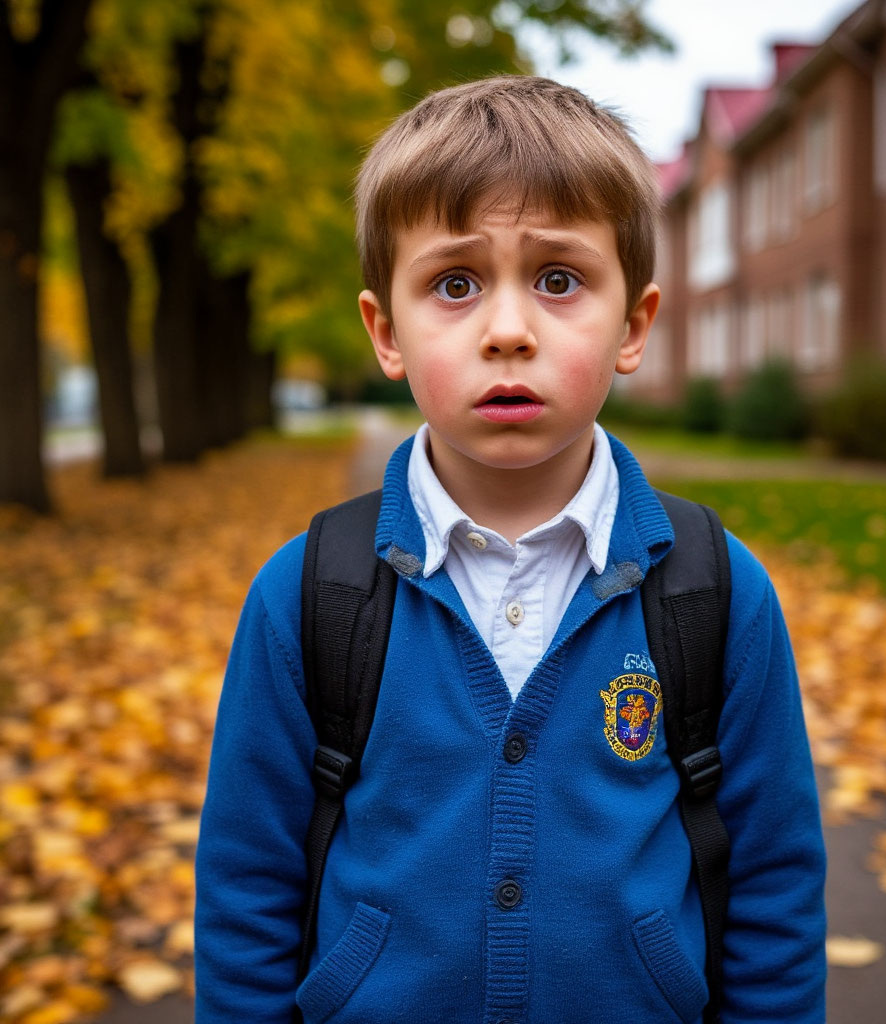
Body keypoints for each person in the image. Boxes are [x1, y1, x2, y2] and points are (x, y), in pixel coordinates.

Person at [195, 75, 826, 1023]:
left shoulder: (715, 590)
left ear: (634, 326)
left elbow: (775, 886)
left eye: (559, 280)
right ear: (385, 332)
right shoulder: (308, 594)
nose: (507, 332)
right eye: (454, 284)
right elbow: (247, 889)